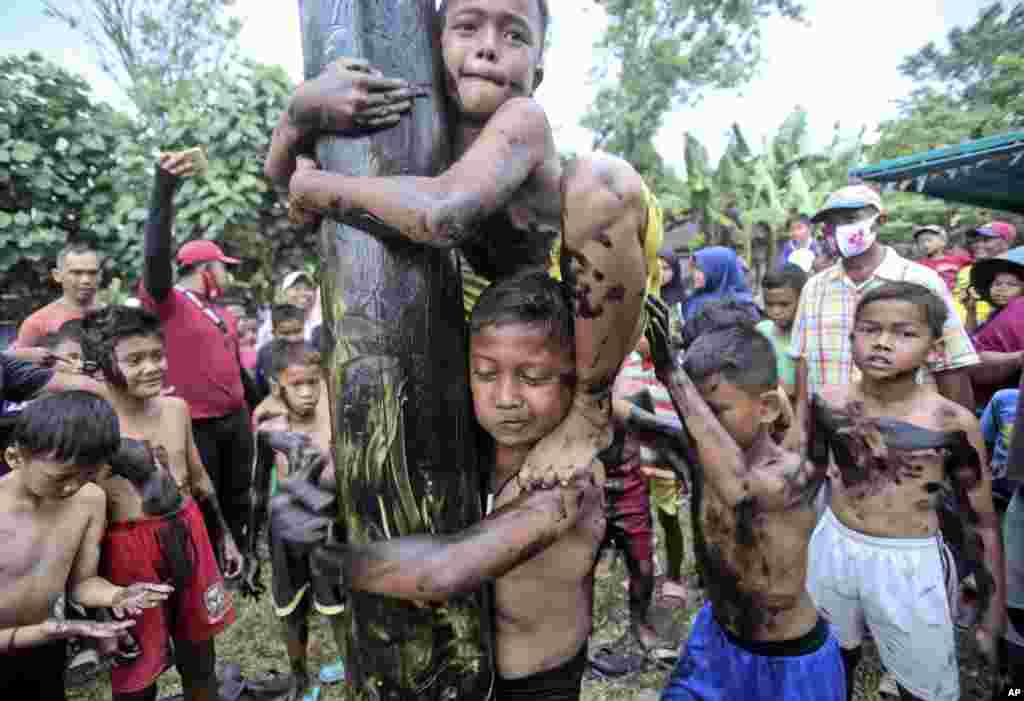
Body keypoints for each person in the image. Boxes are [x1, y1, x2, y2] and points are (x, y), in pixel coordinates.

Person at [266, 0, 662, 488]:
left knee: (601, 177)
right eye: (467, 28)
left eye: (514, 36)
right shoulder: (417, 123)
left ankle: (591, 411)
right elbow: (281, 177)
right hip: (501, 319)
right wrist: (299, 112)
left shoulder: (523, 119)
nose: (488, 49)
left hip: (589, 311)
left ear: (538, 69)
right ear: (435, 46)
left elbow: (441, 215)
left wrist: (317, 189)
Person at [275, 272, 606, 700]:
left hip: (536, 687)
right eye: (486, 374)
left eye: (534, 378)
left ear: (575, 378)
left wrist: (328, 558)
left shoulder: (572, 481)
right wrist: (313, 489)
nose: (506, 397)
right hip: (463, 677)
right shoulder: (467, 442)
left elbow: (444, 571)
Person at [806, 281, 1006, 701]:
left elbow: (983, 522)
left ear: (934, 349)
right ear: (852, 337)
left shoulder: (949, 423)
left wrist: (991, 614)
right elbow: (806, 481)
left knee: (925, 684)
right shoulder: (827, 402)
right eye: (869, 329)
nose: (881, 342)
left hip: (908, 562)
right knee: (826, 661)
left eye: (904, 333)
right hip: (834, 544)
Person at [652, 303, 844, 701]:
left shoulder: (792, 476)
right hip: (715, 639)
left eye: (715, 411)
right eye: (696, 412)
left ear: (768, 408)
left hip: (790, 662)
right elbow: (620, 418)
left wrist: (671, 373)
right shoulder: (700, 452)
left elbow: (737, 487)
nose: (700, 424)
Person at [77, 305, 242, 701]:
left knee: (200, 655)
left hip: (187, 533)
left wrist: (224, 536)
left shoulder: (176, 409)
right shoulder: (94, 429)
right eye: (135, 360)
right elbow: (80, 510)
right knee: (138, 670)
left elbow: (198, 479)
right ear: (100, 366)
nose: (152, 367)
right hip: (127, 552)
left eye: (157, 355)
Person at [0, 392, 172, 699]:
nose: (72, 487)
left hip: (45, 646)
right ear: (14, 458)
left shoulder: (90, 500)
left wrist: (117, 595)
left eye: (87, 475)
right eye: (61, 477)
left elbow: (82, 583)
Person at [788, 185, 979, 437]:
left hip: (906, 439)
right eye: (831, 223)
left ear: (880, 221)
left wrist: (960, 442)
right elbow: (803, 362)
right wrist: (800, 428)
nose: (839, 229)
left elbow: (951, 367)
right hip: (834, 437)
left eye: (850, 219)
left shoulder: (921, 281)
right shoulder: (814, 288)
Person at [140, 153, 254, 549]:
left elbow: (235, 367)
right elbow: (154, 259)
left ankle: (242, 559)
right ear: (205, 269)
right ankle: (213, 566)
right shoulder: (168, 302)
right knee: (209, 498)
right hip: (198, 424)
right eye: (223, 266)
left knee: (240, 493)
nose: (228, 273)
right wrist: (163, 191)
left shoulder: (219, 312)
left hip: (235, 420)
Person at [257, 340, 345, 701]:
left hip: (328, 522)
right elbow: (257, 483)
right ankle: (300, 678)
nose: (308, 392)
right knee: (290, 609)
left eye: (314, 382)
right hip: (287, 528)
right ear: (279, 384)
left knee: (337, 605)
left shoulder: (334, 408)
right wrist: (252, 545)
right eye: (298, 385)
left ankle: (350, 666)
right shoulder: (268, 420)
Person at [12, 243, 104, 350]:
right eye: (76, 273)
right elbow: (17, 363)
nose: (86, 280)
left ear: (100, 275)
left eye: (92, 273)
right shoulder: (37, 324)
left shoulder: (117, 319)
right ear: (57, 275)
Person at [967, 247, 1024, 408]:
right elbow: (968, 343)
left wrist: (1017, 357)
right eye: (997, 283)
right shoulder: (995, 314)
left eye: (1011, 284)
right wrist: (971, 311)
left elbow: (973, 356)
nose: (1001, 288)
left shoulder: (1018, 310)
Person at [757, 264, 807, 401]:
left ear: (803, 299)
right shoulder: (761, 332)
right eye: (769, 304)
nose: (775, 311)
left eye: (784, 304)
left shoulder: (810, 337)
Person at [955, 220, 1016, 329]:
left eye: (986, 240)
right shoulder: (966, 271)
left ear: (1006, 243)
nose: (978, 245)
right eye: (977, 240)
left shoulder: (1017, 273)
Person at [679, 246, 758, 326]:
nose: (695, 274)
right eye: (694, 268)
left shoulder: (742, 306)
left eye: (700, 268)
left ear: (717, 270)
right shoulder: (693, 298)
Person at [255, 305, 307, 400]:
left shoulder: (312, 353)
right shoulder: (265, 354)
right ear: (274, 333)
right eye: (285, 333)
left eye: (297, 331)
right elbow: (261, 387)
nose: (292, 338)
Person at [256, 272, 319, 348]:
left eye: (308, 289)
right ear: (285, 293)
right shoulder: (272, 324)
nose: (304, 293)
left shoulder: (317, 322)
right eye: (297, 289)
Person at [913, 225, 970, 294]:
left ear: (943, 242)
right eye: (921, 242)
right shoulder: (919, 266)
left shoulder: (959, 258)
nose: (925, 244)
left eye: (929, 240)